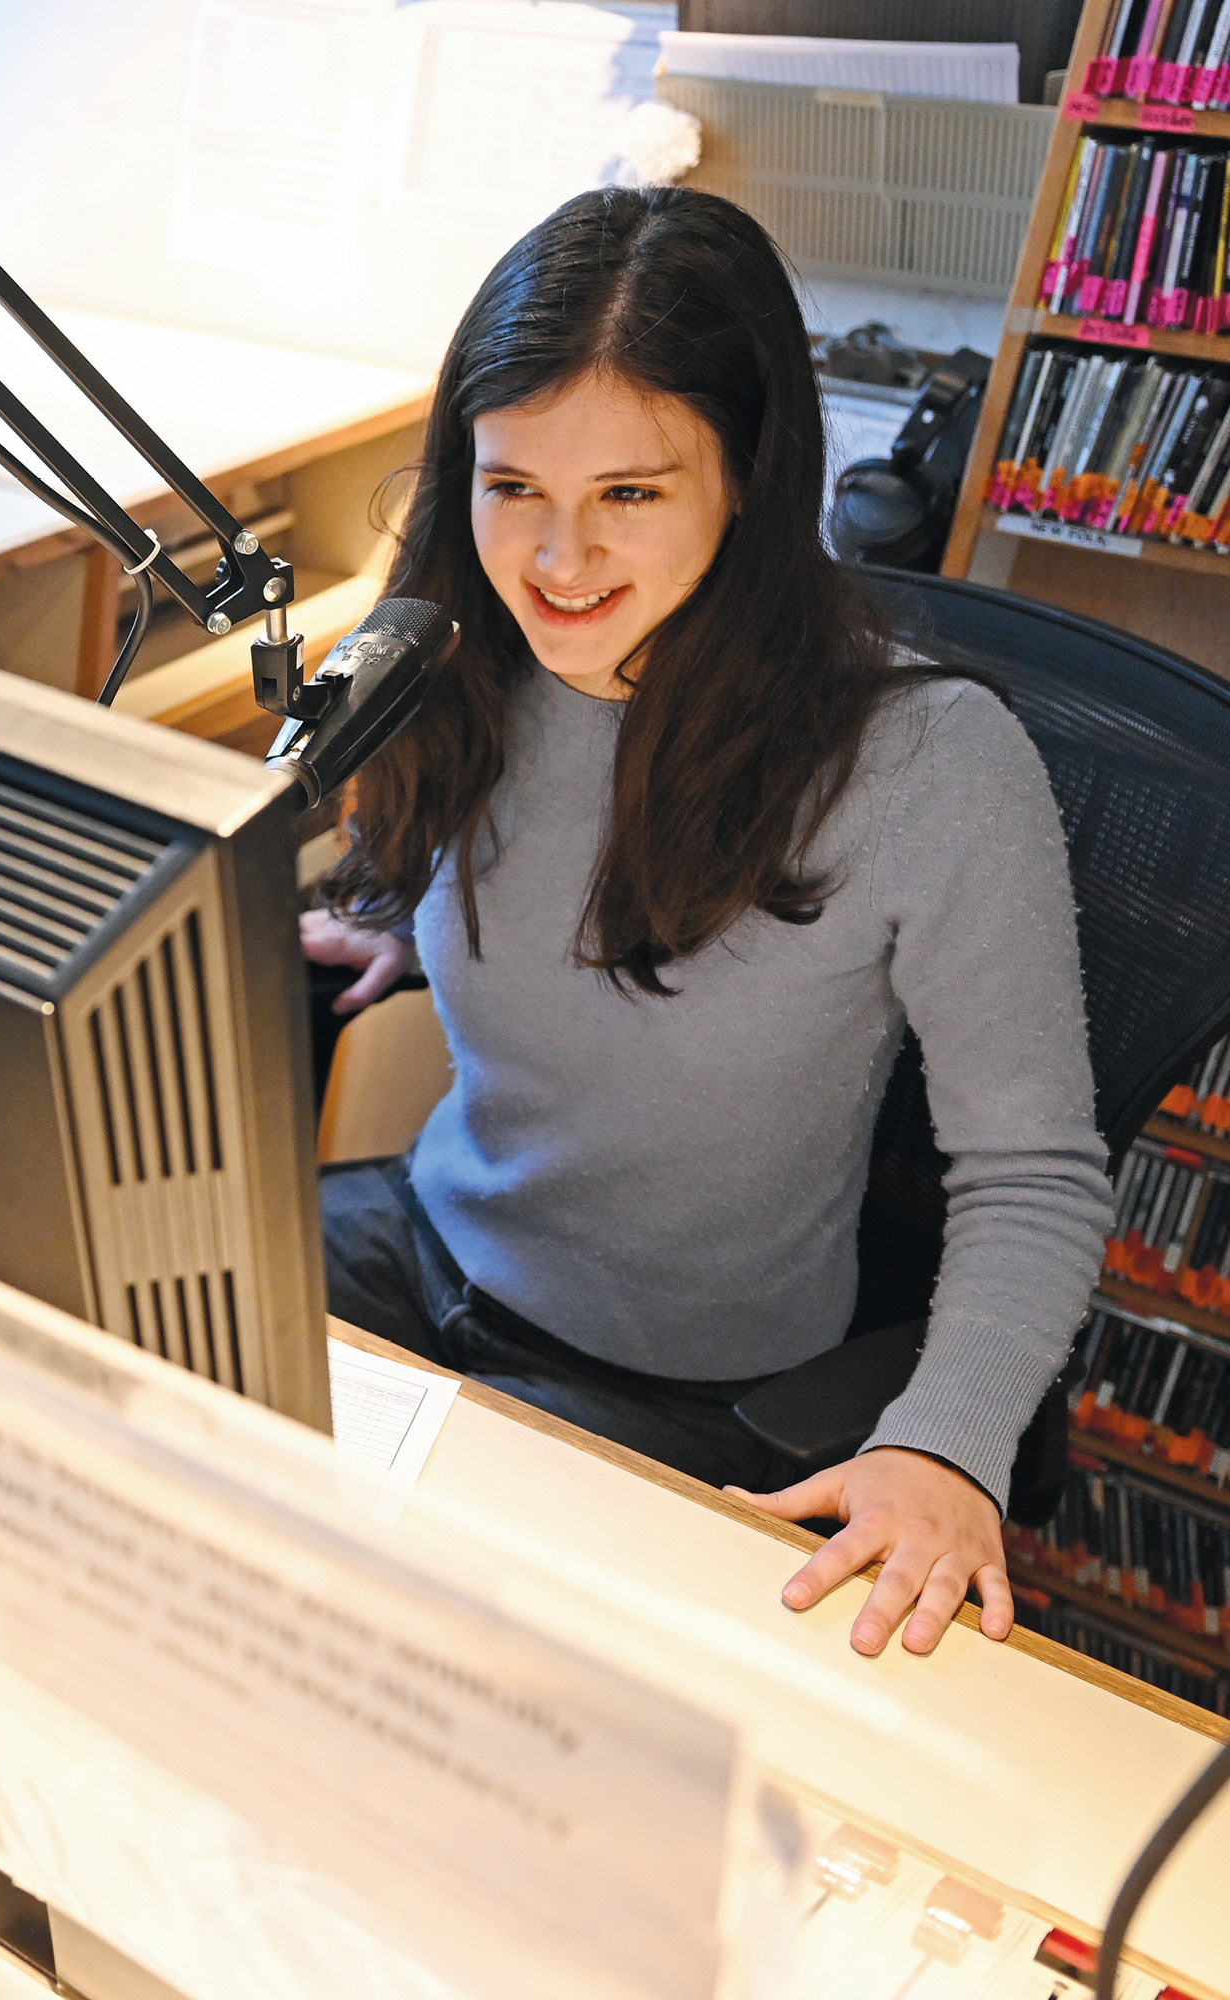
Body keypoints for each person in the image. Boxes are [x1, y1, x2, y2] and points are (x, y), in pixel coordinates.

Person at [303, 186, 1112, 1662]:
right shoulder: (462, 663)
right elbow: (562, 888)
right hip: (426, 1246)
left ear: (746, 476)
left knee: (405, 1666)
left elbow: (1038, 1173)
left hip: (670, 1380)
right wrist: (419, 932)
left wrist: (946, 1445)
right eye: (512, 488)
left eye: (629, 493)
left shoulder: (929, 765)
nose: (558, 560)